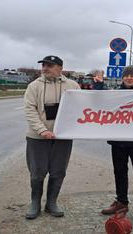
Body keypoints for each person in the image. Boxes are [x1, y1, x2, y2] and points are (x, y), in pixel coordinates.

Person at [24, 55, 80, 219]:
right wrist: (42, 130)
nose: (45, 68)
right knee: (37, 172)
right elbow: (30, 111)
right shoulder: (34, 86)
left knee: (58, 171)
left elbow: (84, 106)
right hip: (38, 138)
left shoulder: (72, 86)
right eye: (44, 65)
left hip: (63, 138)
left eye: (50, 65)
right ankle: (35, 203)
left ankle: (51, 203)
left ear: (60, 68)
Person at [101, 65, 133, 224]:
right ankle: (121, 203)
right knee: (119, 172)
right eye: (126, 75)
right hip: (119, 141)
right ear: (123, 77)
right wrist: (97, 86)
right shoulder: (116, 93)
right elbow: (98, 101)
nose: (129, 78)